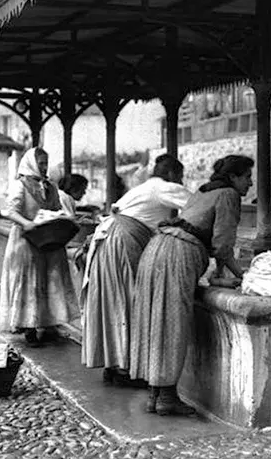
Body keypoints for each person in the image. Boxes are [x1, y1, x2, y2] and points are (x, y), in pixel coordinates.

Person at [130, 154, 253, 416]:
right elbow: (223, 246)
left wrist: (221, 273)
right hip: (179, 254)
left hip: (156, 248)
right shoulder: (229, 195)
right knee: (172, 320)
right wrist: (244, 276)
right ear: (233, 177)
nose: (250, 183)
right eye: (247, 176)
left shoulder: (203, 191)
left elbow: (214, 242)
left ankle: (155, 394)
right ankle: (167, 397)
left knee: (154, 319)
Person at [81, 154, 192, 386]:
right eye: (180, 176)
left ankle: (113, 365)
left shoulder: (142, 188)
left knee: (112, 303)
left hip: (108, 241)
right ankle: (124, 370)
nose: (180, 181)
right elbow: (196, 206)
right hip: (123, 242)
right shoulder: (163, 188)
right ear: (172, 174)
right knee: (128, 301)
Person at [0, 147, 79, 347]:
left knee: (49, 279)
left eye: (45, 163)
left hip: (48, 238)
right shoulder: (21, 185)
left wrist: (61, 218)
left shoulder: (50, 187)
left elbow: (57, 209)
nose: (44, 167)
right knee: (30, 282)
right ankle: (29, 327)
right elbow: (10, 211)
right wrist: (26, 223)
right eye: (41, 163)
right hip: (26, 240)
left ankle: (48, 322)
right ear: (31, 164)